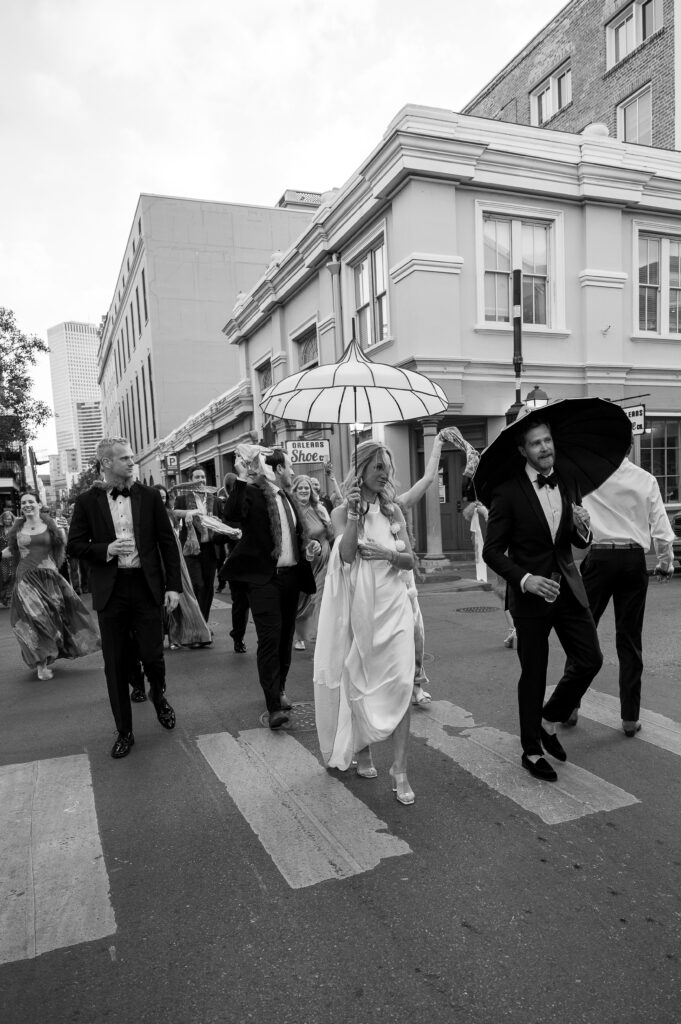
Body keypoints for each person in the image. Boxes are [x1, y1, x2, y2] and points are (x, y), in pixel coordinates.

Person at [483, 418, 603, 783]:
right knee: (534, 674)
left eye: (548, 440)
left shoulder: (566, 481)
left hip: (567, 587)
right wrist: (524, 579)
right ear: (523, 450)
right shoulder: (507, 492)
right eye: (536, 443)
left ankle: (549, 719)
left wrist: (582, 525)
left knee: (590, 659)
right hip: (532, 596)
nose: (545, 448)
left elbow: (576, 540)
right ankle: (532, 749)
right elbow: (492, 551)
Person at [313, 441, 417, 805]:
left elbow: (410, 561)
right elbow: (344, 554)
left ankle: (400, 769)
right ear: (361, 472)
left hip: (395, 607)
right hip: (362, 610)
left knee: (403, 683)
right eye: (377, 467)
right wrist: (355, 514)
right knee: (361, 682)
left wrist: (390, 553)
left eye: (386, 466)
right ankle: (364, 749)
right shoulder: (342, 511)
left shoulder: (394, 512)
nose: (384, 473)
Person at [67, 437, 181, 759]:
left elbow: (166, 542)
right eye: (125, 459)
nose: (132, 463)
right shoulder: (87, 501)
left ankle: (158, 694)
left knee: (153, 656)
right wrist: (106, 550)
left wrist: (173, 586)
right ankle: (124, 731)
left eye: (132, 458)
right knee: (115, 665)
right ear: (106, 463)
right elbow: (74, 546)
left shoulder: (147, 495)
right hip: (111, 592)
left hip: (146, 588)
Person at [561, 449, 675, 737]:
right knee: (629, 639)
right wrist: (665, 563)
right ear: (628, 447)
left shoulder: (586, 479)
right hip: (633, 561)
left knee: (583, 632)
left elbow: (573, 518)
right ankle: (629, 718)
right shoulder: (645, 479)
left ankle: (569, 706)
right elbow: (661, 529)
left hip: (598, 559)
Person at [222, 447, 316, 728]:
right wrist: (240, 478)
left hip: (290, 578)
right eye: (288, 467)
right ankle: (274, 704)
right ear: (275, 469)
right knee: (270, 639)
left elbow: (293, 536)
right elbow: (232, 514)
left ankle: (281, 689)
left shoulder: (288, 498)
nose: (292, 471)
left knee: (285, 637)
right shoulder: (253, 492)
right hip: (264, 580)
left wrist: (307, 547)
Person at [4, 492, 100, 679]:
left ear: (39, 504)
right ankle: (41, 664)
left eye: (31, 501)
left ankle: (50, 653)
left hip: (49, 579)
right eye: (24, 503)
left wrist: (71, 534)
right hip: (26, 580)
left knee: (55, 619)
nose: (27, 505)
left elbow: (65, 546)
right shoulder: (17, 528)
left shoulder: (51, 526)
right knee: (36, 619)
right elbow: (12, 550)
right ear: (21, 507)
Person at [154, 484, 211, 651]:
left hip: (175, 560)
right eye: (159, 497)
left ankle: (192, 634)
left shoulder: (170, 514)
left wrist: (191, 513)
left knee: (184, 596)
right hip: (159, 560)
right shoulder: (150, 516)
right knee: (166, 601)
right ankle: (174, 636)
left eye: (164, 497)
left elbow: (179, 514)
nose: (162, 500)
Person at [291, 474, 334, 650]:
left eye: (306, 488)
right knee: (302, 600)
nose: (303, 490)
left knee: (321, 597)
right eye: (300, 488)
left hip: (323, 558)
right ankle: (299, 636)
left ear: (311, 491)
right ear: (295, 490)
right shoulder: (292, 510)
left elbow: (331, 532)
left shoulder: (319, 508)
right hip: (303, 561)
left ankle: (319, 634)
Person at [173, 467, 219, 626]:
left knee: (208, 588)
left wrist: (219, 522)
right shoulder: (182, 499)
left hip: (210, 549)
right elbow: (172, 514)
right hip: (191, 550)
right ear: (191, 480)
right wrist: (187, 513)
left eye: (203, 477)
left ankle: (203, 625)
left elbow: (223, 520)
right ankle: (195, 623)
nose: (201, 480)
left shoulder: (215, 499)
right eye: (197, 477)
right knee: (197, 585)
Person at [218, 472, 251, 653]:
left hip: (254, 563)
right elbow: (218, 537)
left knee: (252, 603)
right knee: (240, 604)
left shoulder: (252, 505)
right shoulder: (228, 508)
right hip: (237, 565)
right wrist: (228, 532)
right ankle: (238, 637)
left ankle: (242, 637)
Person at [0, 509, 17, 606]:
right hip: (3, 556)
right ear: (2, 519)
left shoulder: (15, 529)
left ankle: (9, 598)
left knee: (13, 576)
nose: (8, 521)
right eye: (6, 519)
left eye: (9, 519)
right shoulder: (0, 529)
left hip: (13, 555)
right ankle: (3, 597)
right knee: (4, 576)